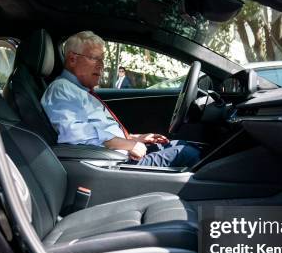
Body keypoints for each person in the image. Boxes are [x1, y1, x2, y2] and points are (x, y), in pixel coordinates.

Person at [40, 31, 200, 167]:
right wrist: (129, 144)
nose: (101, 65)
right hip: (113, 163)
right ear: (72, 59)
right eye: (95, 58)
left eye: (102, 60)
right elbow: (75, 133)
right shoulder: (61, 88)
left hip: (120, 154)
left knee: (182, 146)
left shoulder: (81, 91)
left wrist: (135, 137)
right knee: (188, 154)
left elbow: (99, 127)